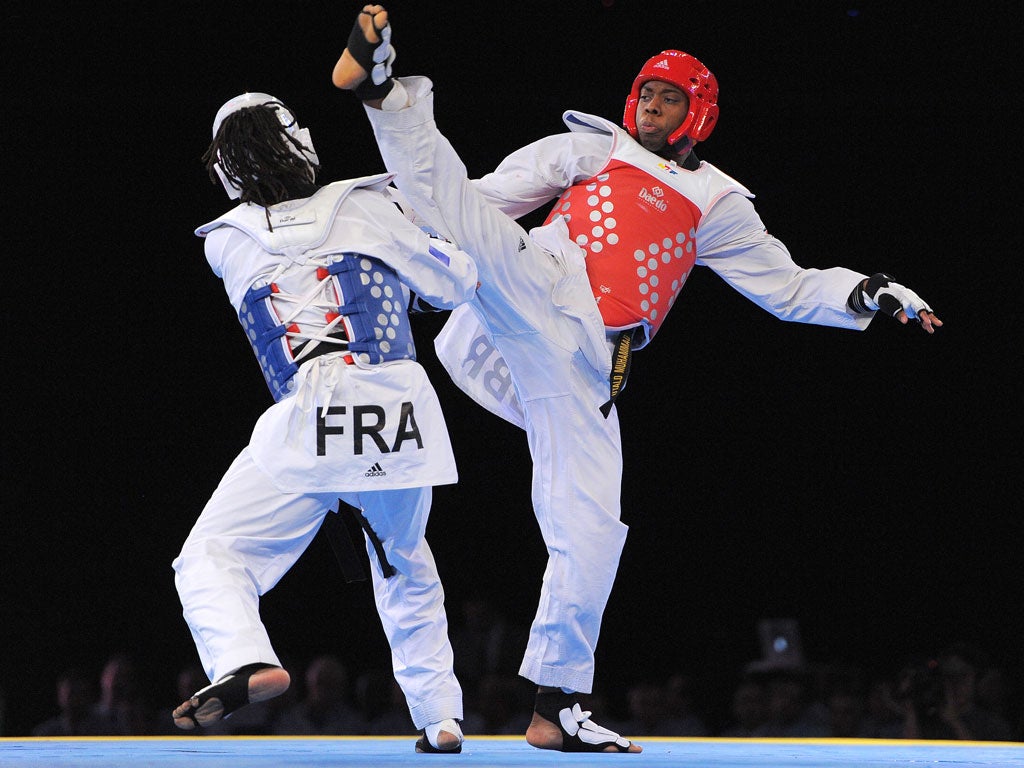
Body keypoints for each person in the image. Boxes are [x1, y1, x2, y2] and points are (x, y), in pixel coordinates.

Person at [332, 3, 942, 754]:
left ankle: (556, 707)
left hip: (586, 363)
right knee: (460, 209)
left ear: (700, 116)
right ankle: (385, 90)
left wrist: (866, 291)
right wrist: (413, 241)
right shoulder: (592, 146)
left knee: (592, 528)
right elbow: (483, 199)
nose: (652, 107)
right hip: (536, 285)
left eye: (670, 99)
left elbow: (785, 288)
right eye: (646, 94)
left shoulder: (718, 201)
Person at [170, 89, 478, 753]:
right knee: (401, 562)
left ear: (226, 172)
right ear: (302, 144)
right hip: (396, 411)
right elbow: (455, 284)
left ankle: (245, 658)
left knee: (211, 556)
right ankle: (440, 717)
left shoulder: (225, 243)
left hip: (309, 418)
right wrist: (423, 239)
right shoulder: (366, 203)